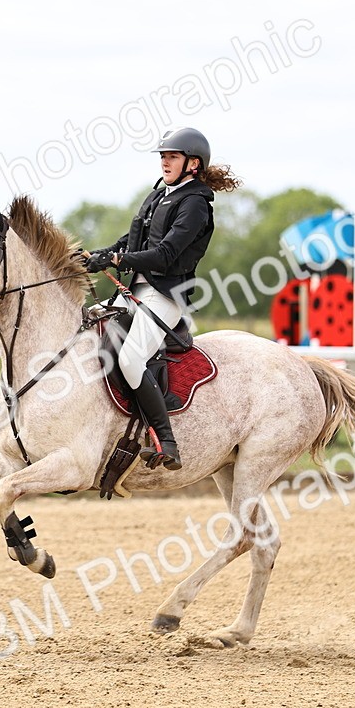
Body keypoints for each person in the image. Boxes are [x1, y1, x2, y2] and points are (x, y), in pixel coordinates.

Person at [85, 127, 242, 470]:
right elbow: (133, 239)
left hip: (167, 297)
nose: (164, 162)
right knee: (87, 325)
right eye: (162, 156)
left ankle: (166, 440)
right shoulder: (159, 196)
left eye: (172, 156)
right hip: (135, 292)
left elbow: (166, 253)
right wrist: (102, 253)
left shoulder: (196, 204)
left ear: (193, 164)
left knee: (129, 359)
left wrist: (116, 261)